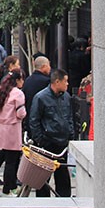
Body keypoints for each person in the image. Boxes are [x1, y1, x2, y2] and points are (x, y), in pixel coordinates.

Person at [28, 69, 73, 197]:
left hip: (62, 143)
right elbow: (34, 120)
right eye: (65, 81)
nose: (67, 84)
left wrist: (70, 134)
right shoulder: (41, 97)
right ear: (57, 82)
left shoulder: (66, 97)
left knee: (63, 177)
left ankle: (64, 202)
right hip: (47, 143)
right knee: (43, 179)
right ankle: (43, 203)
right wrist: (41, 140)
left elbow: (69, 117)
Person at [0, 69, 26, 195]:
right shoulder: (18, 93)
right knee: (11, 161)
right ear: (18, 80)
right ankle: (9, 187)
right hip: (12, 129)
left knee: (6, 154)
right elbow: (21, 113)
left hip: (0, 128)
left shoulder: (0, 90)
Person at [22, 55, 51, 134]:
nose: (50, 68)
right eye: (49, 65)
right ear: (44, 66)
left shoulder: (27, 80)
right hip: (43, 121)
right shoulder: (46, 82)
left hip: (29, 118)